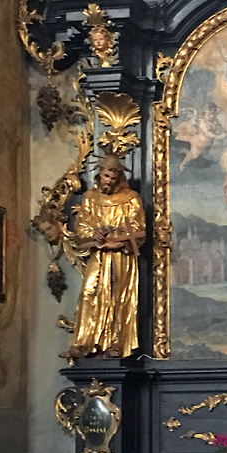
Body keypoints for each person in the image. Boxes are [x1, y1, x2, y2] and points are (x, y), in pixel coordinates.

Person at [60, 154, 146, 359]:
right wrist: (94, 234)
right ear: (100, 174)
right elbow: (81, 227)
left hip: (121, 257)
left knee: (118, 297)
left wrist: (119, 239)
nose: (108, 181)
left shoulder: (131, 199)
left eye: (113, 178)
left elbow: (139, 229)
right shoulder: (90, 197)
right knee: (89, 292)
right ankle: (83, 343)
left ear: (119, 179)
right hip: (99, 255)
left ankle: (116, 343)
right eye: (106, 176)